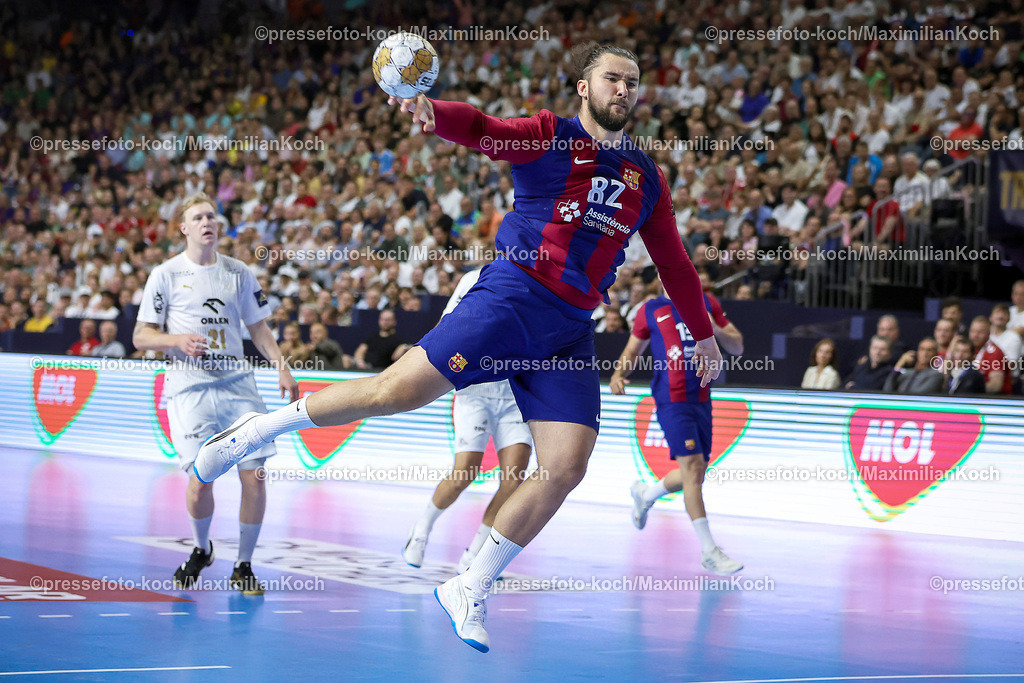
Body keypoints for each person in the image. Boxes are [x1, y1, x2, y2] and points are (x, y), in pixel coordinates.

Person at [193, 43, 722, 653]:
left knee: (566, 467)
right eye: (613, 79)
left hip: (570, 328)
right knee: (396, 392)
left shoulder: (646, 178)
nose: (624, 90)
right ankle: (257, 432)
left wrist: (701, 332)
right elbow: (483, 128)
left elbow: (674, 262)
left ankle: (470, 583)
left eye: (633, 81)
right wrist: (432, 112)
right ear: (584, 86)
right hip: (512, 298)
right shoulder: (548, 137)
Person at [133, 193, 299, 595]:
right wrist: (177, 340)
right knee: (200, 480)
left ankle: (243, 565)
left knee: (255, 474)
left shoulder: (239, 272)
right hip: (189, 387)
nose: (207, 221)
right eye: (198, 217)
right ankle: (202, 547)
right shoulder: (166, 274)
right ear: (184, 228)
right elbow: (141, 336)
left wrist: (281, 364)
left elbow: (258, 327)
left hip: (237, 384)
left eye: (212, 215)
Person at [402, 267, 533, 573]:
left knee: (513, 479)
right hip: (475, 391)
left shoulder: (539, 281)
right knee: (465, 473)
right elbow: (447, 326)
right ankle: (420, 531)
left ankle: (475, 555)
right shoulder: (474, 278)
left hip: (515, 395)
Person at [610, 278, 743, 575]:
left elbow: (738, 346)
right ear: (660, 276)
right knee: (693, 468)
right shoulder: (651, 309)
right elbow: (633, 350)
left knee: (693, 473)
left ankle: (646, 495)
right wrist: (619, 374)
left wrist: (715, 328)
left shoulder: (707, 303)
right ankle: (710, 551)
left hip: (703, 400)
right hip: (671, 401)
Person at [967, 316, 1011, 395]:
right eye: (972, 331)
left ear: (988, 333)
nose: (975, 335)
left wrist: (970, 390)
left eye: (980, 332)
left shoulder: (994, 353)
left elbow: (995, 386)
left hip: (996, 402)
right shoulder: (969, 350)